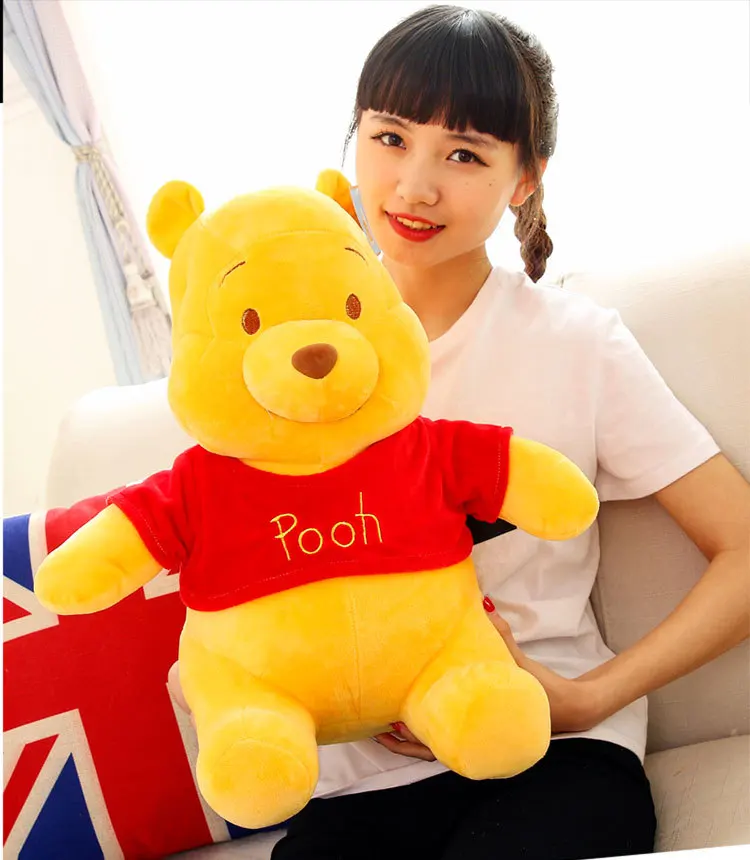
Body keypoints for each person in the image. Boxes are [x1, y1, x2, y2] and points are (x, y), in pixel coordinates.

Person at [170, 6, 750, 858]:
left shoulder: (576, 345)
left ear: (525, 178)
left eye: (465, 154)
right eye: (391, 138)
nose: (414, 187)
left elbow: (742, 549)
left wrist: (591, 697)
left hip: (552, 754)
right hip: (357, 788)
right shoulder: (270, 361)